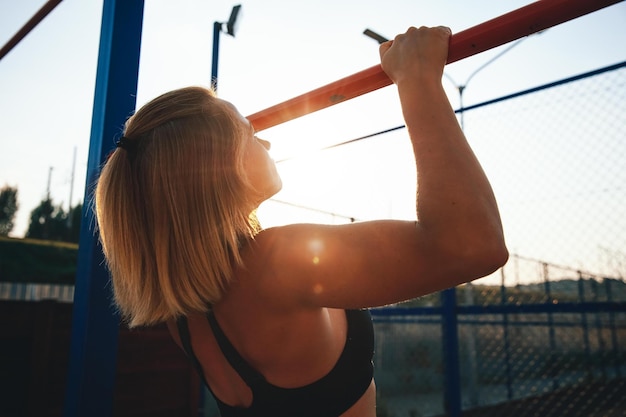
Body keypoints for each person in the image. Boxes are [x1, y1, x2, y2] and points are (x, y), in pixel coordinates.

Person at [95, 26, 508, 417]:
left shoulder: (181, 313)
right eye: (249, 131)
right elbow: (472, 244)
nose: (267, 140)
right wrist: (417, 80)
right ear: (219, 167)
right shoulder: (274, 261)